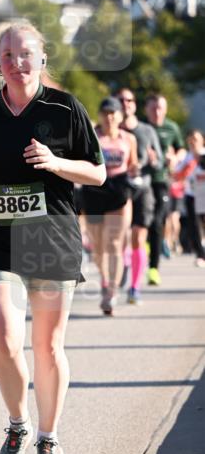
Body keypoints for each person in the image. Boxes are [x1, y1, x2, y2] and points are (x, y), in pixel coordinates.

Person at [0, 21, 105, 454]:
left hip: (50, 237)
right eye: (7, 55)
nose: (16, 62)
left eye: (25, 54)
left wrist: (55, 162)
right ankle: (17, 424)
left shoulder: (65, 108)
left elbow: (97, 173)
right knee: (5, 340)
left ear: (42, 59)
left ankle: (49, 436)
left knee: (46, 346)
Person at [81, 97, 138, 315]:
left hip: (119, 190)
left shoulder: (129, 139)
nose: (109, 117)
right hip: (94, 190)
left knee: (114, 243)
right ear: (100, 115)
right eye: (105, 113)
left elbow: (133, 163)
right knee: (98, 247)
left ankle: (111, 293)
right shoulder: (90, 136)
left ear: (120, 116)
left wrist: (137, 170)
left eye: (113, 113)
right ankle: (105, 280)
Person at [116, 87, 162, 304]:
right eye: (121, 100)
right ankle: (124, 267)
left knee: (138, 238)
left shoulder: (146, 130)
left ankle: (134, 287)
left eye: (129, 100)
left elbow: (159, 162)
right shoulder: (111, 131)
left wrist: (154, 161)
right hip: (118, 190)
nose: (125, 104)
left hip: (143, 189)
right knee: (120, 239)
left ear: (135, 104)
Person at [145, 93, 185, 286]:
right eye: (153, 108)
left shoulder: (172, 127)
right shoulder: (142, 127)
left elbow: (181, 148)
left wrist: (175, 158)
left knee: (157, 221)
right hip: (142, 181)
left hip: (161, 181)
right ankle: (143, 250)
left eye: (160, 107)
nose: (157, 111)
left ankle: (154, 268)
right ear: (146, 109)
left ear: (165, 109)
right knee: (141, 223)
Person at [175, 130, 205, 265]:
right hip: (191, 195)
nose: (193, 142)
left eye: (196, 139)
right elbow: (177, 175)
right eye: (191, 140)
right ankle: (201, 255)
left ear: (202, 141)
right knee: (194, 226)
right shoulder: (186, 157)